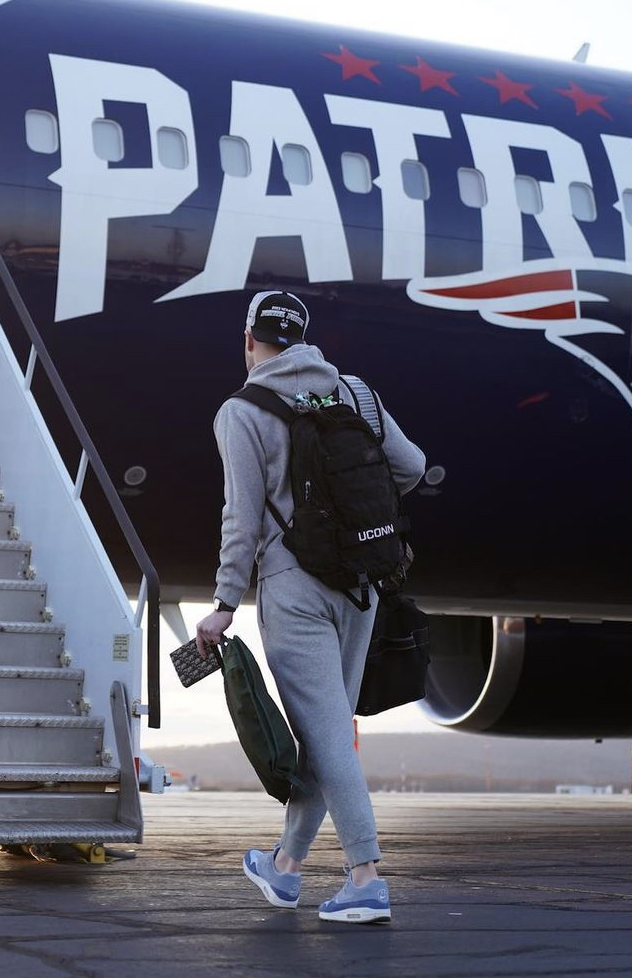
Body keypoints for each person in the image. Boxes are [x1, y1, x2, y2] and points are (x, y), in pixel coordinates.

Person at [194, 291, 425, 923]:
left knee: (324, 733)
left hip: (294, 588)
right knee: (327, 730)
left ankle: (366, 876)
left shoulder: (241, 411)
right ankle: (287, 869)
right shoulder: (355, 394)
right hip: (362, 587)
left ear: (249, 340)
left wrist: (224, 601)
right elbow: (411, 467)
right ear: (303, 339)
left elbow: (239, 517)